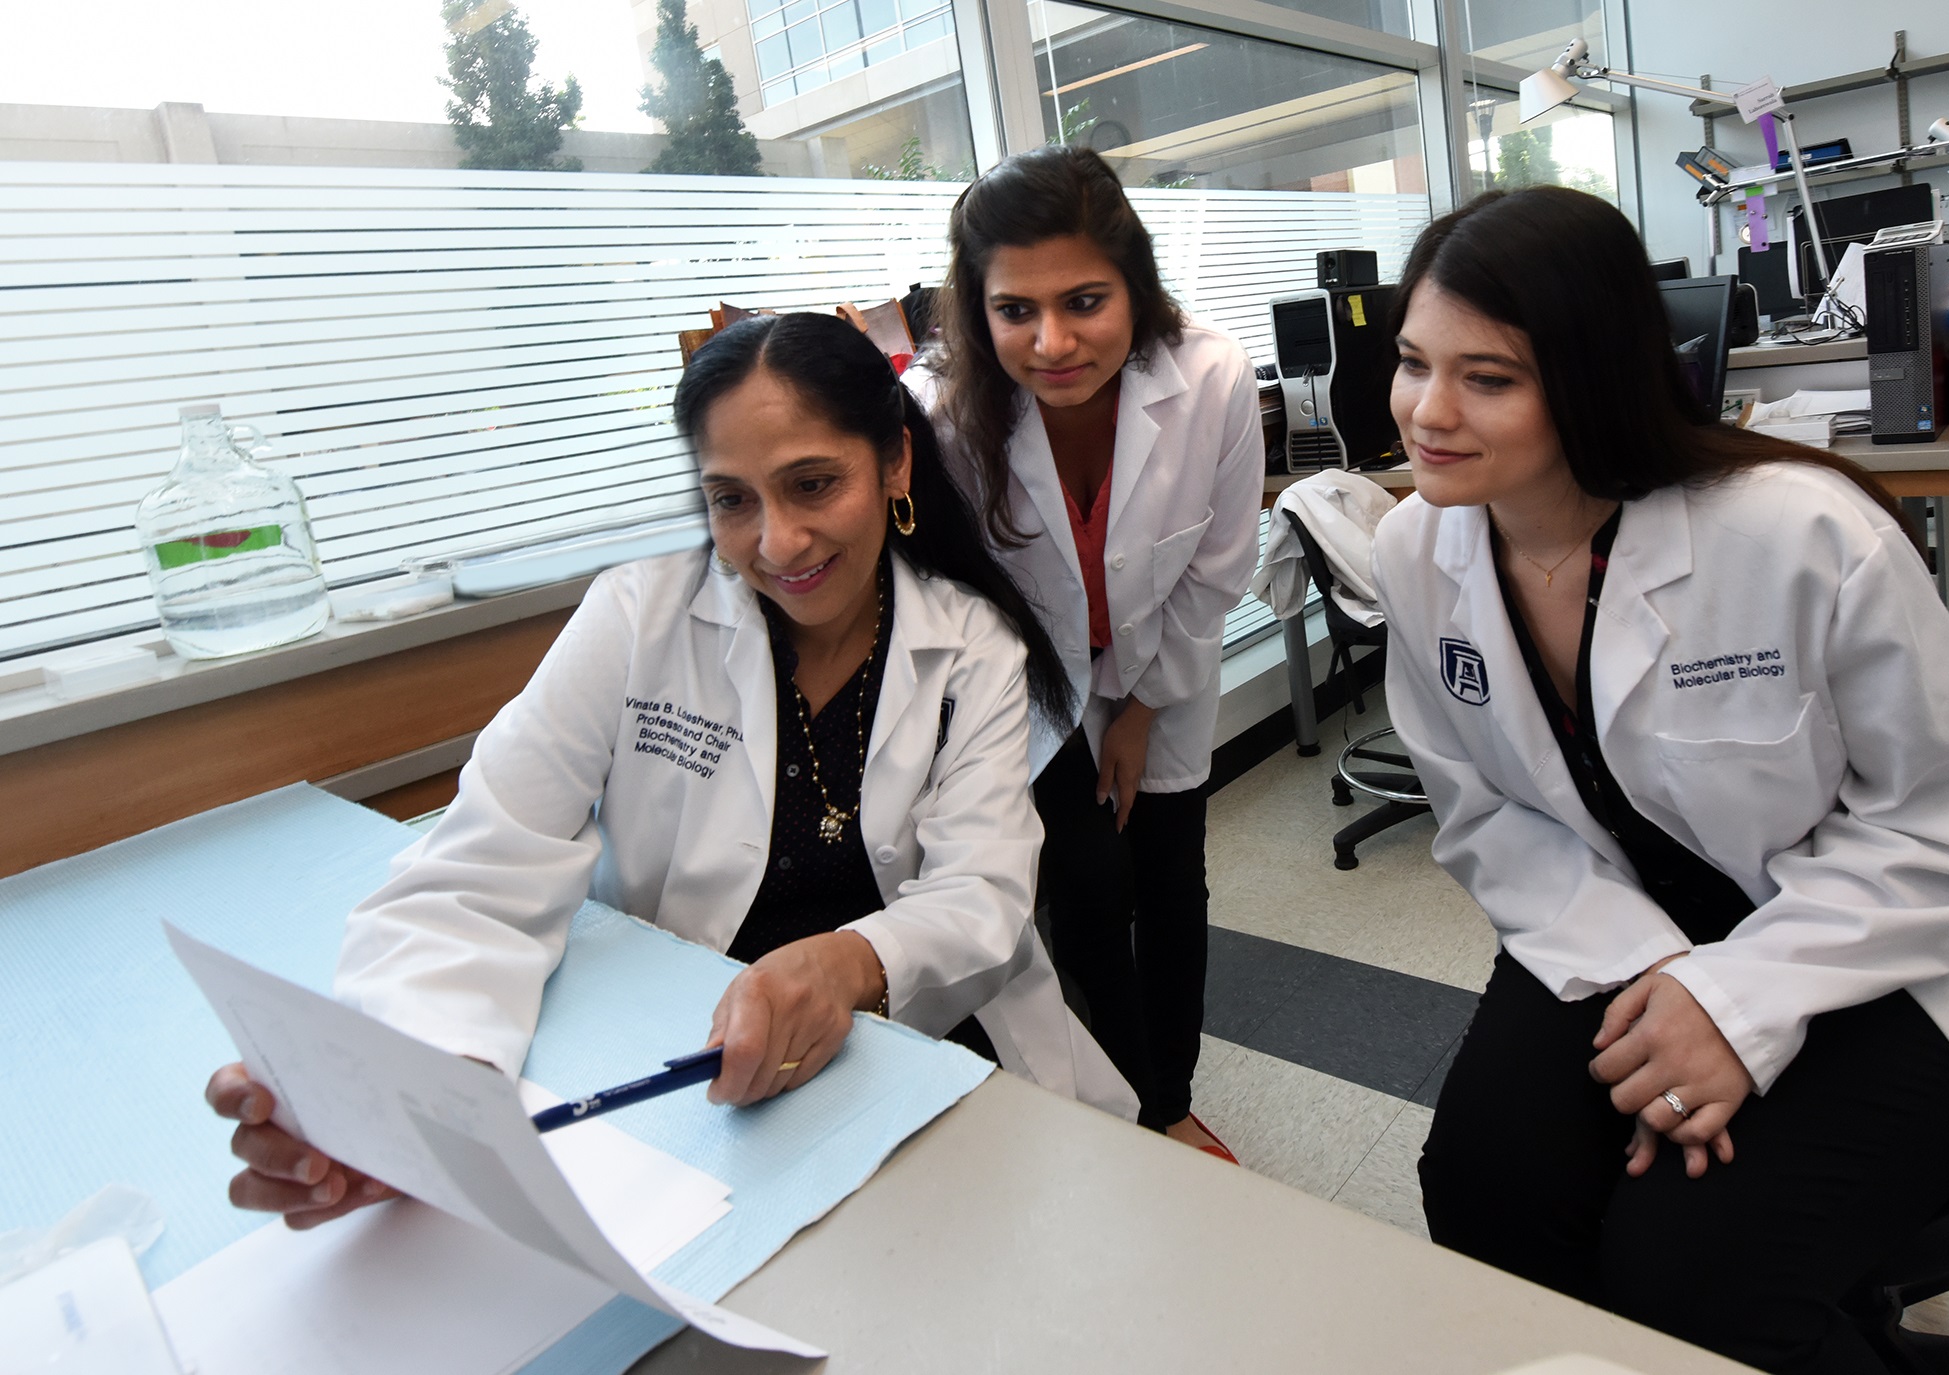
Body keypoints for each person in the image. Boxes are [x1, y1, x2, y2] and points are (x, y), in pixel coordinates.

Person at [1371, 186, 1949, 1374]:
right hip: (1619, 918)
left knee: (1696, 1274)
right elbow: (1484, 811)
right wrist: (1659, 977)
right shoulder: (1419, 548)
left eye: (1487, 377)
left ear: (1591, 375)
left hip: (1897, 939)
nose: (1427, 412)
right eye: (1412, 363)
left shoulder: (1797, 533)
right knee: (1485, 1195)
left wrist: (1739, 1001)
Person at [205, 311, 1139, 1229]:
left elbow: (981, 892)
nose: (776, 543)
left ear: (894, 462)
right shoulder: (635, 621)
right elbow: (476, 871)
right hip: (711, 1076)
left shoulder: (968, 643)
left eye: (813, 484)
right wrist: (415, 1090)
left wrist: (854, 961)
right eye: (732, 499)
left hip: (931, 1044)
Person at [913, 146, 1264, 1156]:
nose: (1053, 341)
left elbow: (1217, 566)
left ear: (1134, 285)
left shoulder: (1211, 376)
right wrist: (1074, 722)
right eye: (1015, 310)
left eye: (1084, 300)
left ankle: (1172, 1098)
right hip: (1031, 687)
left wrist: (1145, 708)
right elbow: (964, 598)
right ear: (977, 310)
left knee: (1167, 874)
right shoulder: (948, 417)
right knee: (1086, 880)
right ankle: (1124, 1108)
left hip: (1168, 661)